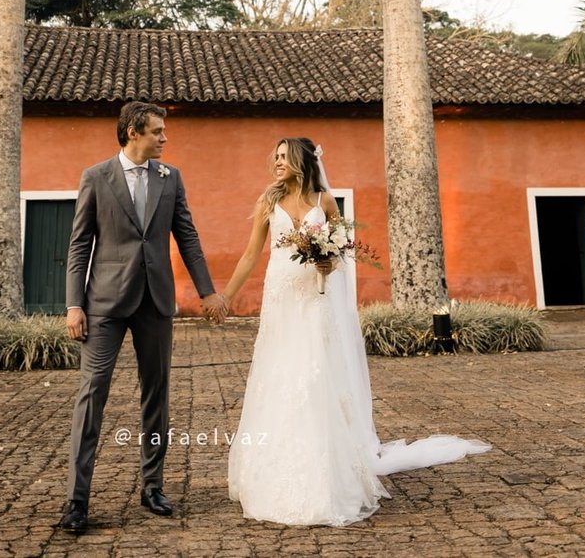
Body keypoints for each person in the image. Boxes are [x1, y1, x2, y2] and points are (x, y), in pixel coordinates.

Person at [221, 137, 489, 526]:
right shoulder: (268, 202)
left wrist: (330, 265)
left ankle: (325, 474)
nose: (276, 162)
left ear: (299, 161)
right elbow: (250, 254)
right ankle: (271, 467)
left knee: (315, 376)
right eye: (275, 157)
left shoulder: (324, 202)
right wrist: (225, 297)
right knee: (278, 375)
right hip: (281, 299)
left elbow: (341, 253)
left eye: (283, 157)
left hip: (315, 301)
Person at [58, 101, 228, 535]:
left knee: (157, 395)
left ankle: (152, 486)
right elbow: (80, 246)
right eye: (158, 131)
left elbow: (187, 236)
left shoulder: (171, 179)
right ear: (134, 131)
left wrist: (207, 291)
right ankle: (77, 500)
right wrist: (74, 303)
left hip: (155, 302)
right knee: (91, 394)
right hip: (104, 305)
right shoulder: (96, 177)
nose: (165, 138)